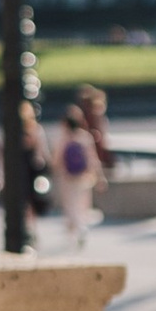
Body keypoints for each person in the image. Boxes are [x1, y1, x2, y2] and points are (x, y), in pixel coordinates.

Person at [52, 98, 101, 243]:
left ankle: (75, 227)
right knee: (82, 203)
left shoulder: (63, 138)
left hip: (67, 176)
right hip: (84, 176)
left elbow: (56, 159)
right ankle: (80, 226)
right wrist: (98, 176)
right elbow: (92, 158)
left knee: (70, 204)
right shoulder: (85, 137)